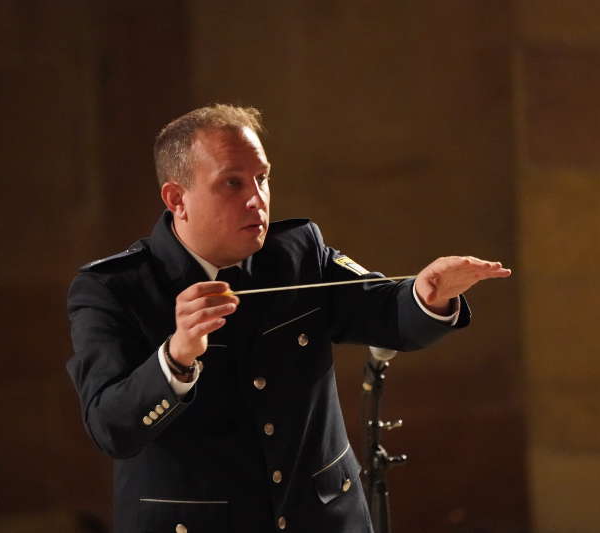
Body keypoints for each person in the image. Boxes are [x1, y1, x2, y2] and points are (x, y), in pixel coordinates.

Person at [66, 104, 511, 533]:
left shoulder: (297, 251)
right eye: (233, 184)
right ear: (177, 198)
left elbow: (387, 313)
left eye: (262, 179)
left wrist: (428, 294)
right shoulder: (113, 289)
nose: (256, 200)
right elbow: (111, 429)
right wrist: (176, 356)